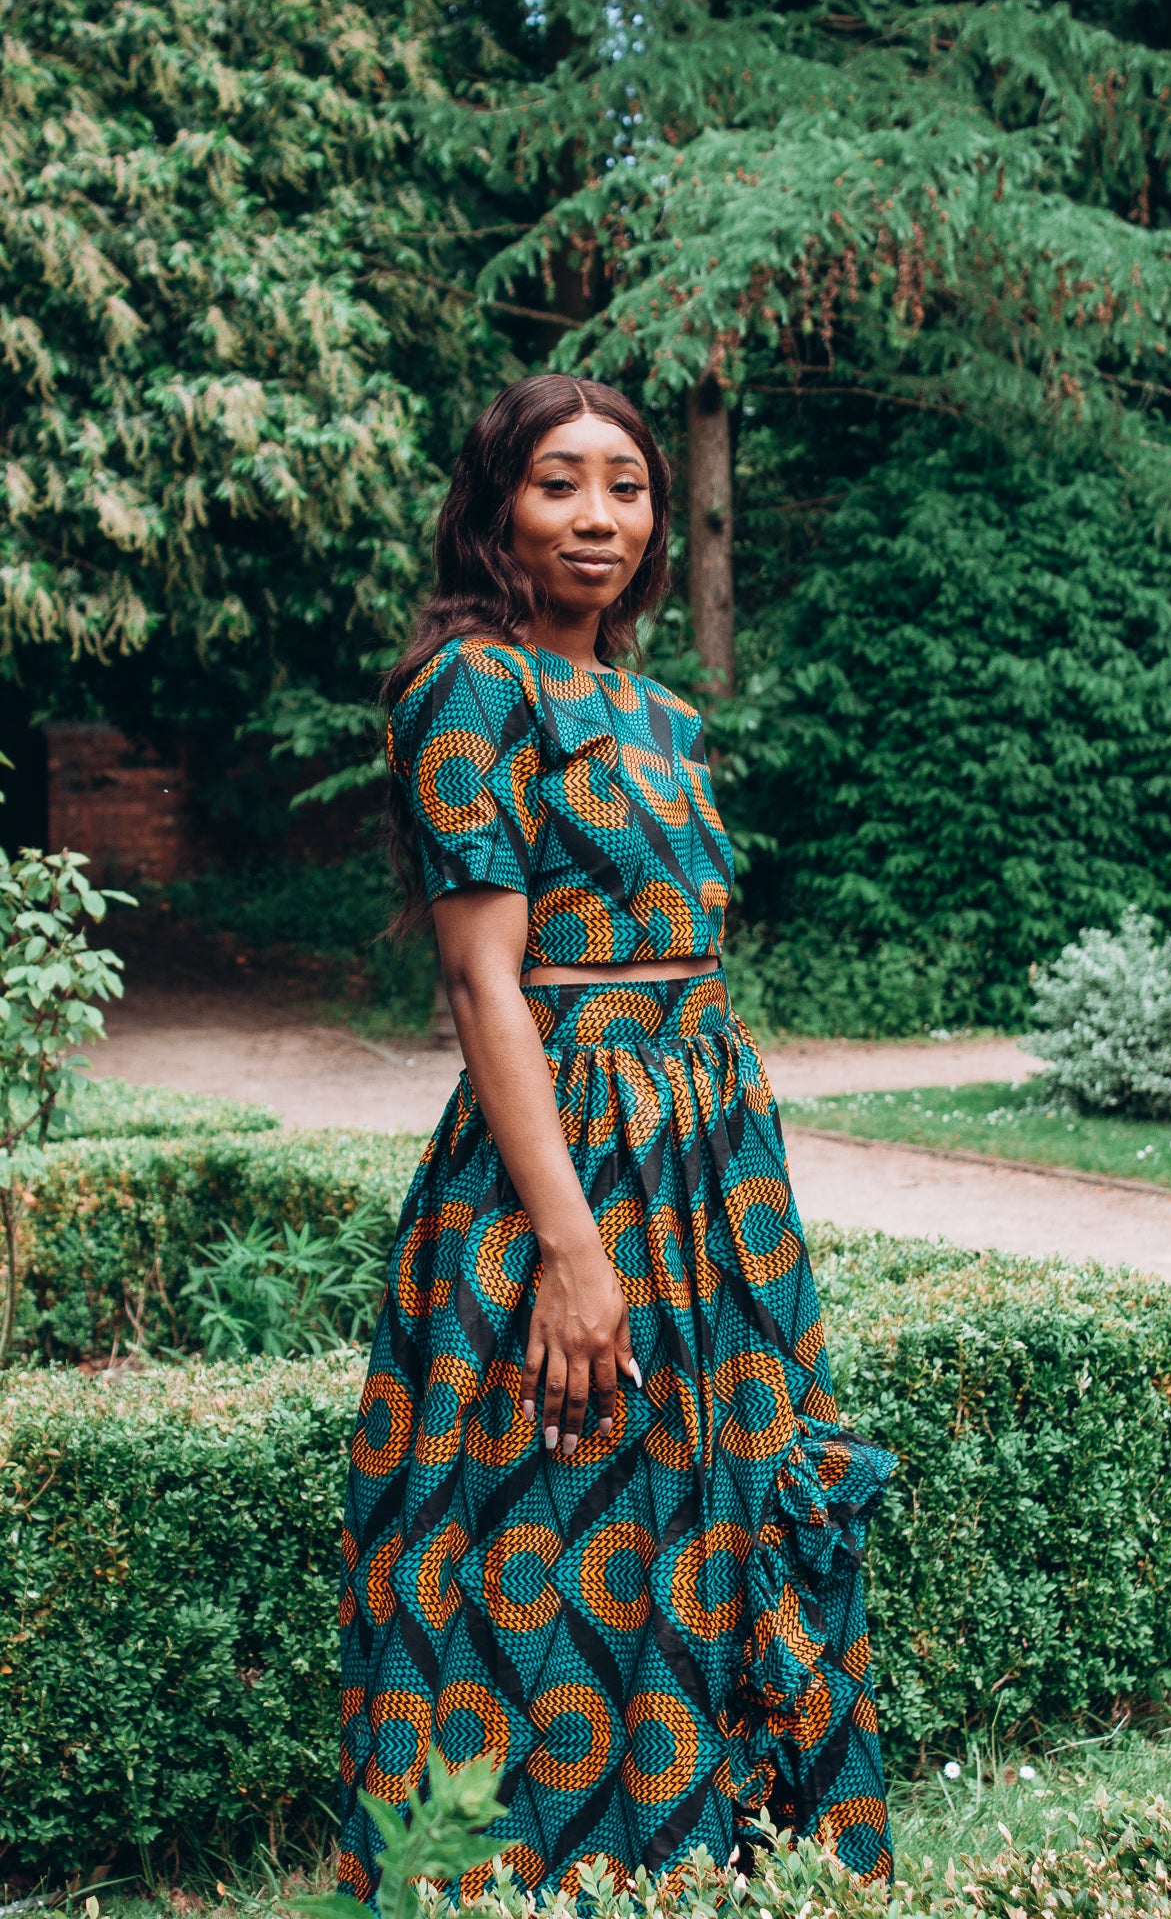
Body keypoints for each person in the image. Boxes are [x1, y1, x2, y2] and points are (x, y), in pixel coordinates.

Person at [338, 374, 894, 1904]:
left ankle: (714, 1857)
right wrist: (572, 1252)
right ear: (495, 505)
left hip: (712, 1168)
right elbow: (478, 979)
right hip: (560, 1170)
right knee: (549, 1519)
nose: (597, 517)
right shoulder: (470, 685)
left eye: (628, 487)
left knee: (725, 1500)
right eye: (558, 483)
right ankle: (527, 1878)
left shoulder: (662, 713)